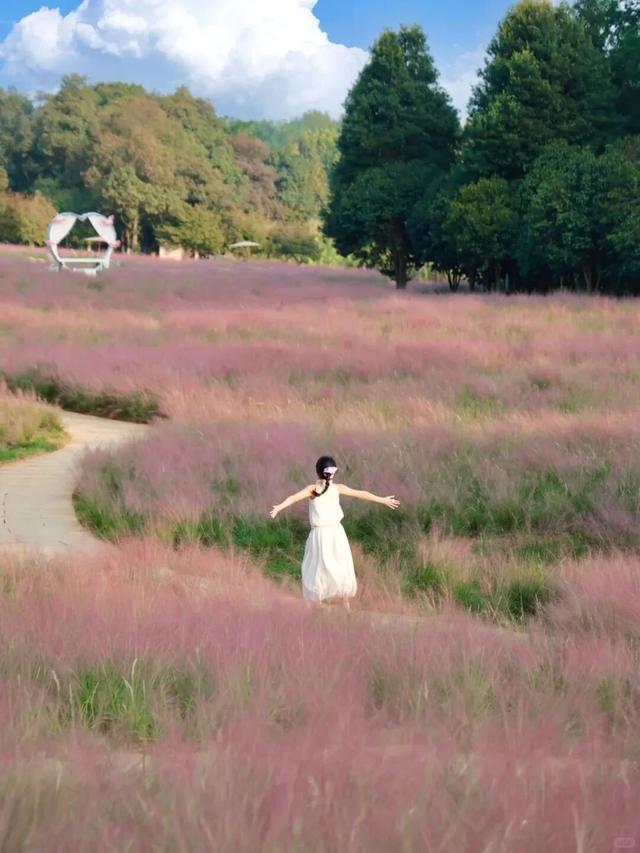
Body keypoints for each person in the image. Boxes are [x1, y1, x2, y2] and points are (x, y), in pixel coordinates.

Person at [270, 456, 400, 606]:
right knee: (327, 566)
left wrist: (383, 500)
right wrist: (279, 507)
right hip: (326, 534)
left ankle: (336, 603)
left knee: (330, 566)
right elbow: (361, 493)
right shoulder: (318, 490)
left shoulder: (327, 489)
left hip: (331, 533)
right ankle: (326, 602)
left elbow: (293, 498)